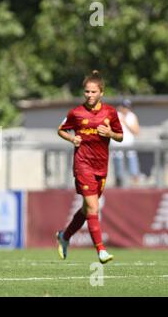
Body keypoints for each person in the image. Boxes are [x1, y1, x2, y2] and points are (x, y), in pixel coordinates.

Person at [56, 70, 123, 264]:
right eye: (86, 92)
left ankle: (64, 236)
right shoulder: (76, 113)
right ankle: (101, 250)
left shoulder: (110, 112)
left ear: (101, 92)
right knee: (94, 207)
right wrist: (72, 138)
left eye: (93, 92)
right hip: (82, 164)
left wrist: (110, 133)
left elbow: (120, 136)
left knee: (87, 209)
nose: (89, 95)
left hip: (101, 166)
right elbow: (61, 130)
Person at [111, 98, 140, 187]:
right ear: (120, 107)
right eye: (124, 107)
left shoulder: (132, 116)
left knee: (133, 168)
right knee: (118, 171)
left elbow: (136, 131)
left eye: (128, 107)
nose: (126, 109)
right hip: (117, 147)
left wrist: (125, 122)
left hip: (129, 146)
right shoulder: (114, 116)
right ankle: (118, 188)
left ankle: (135, 186)